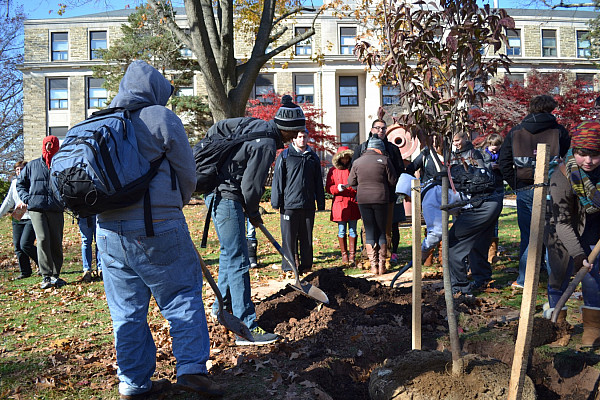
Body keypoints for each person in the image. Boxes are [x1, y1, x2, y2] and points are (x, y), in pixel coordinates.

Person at [95, 61, 223, 399]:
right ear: (154, 90)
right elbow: (188, 175)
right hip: (157, 225)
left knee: (125, 310)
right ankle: (192, 370)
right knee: (181, 296)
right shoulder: (161, 118)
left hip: (106, 231)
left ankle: (133, 383)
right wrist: (173, 206)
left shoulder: (100, 121)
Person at [205, 94, 303, 345]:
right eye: (295, 133)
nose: (295, 138)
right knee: (239, 260)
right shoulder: (267, 144)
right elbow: (251, 187)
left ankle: (221, 309)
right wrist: (253, 211)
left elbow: (218, 127)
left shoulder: (254, 124)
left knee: (229, 255)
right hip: (227, 196)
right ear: (288, 131)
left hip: (218, 193)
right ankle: (246, 327)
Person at [498, 94, 570, 289]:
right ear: (551, 109)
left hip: (525, 188)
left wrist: (516, 185)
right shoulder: (559, 131)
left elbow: (503, 162)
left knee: (528, 234)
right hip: (552, 188)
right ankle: (555, 279)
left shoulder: (516, 131)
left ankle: (524, 279)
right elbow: (569, 159)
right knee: (552, 234)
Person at [545, 120, 600, 347]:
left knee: (593, 278)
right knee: (558, 276)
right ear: (574, 151)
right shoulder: (561, 176)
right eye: (582, 154)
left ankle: (593, 329)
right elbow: (562, 222)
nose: (588, 161)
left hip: (594, 230)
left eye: (595, 155)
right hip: (562, 231)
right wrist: (577, 254)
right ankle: (558, 327)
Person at [447, 131, 503, 294]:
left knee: (454, 242)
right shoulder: (452, 156)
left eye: (458, 140)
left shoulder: (474, 154)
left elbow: (482, 179)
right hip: (483, 204)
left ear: (466, 139)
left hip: (481, 204)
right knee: (477, 242)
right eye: (453, 141)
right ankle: (482, 278)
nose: (456, 143)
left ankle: (460, 287)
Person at [271, 129, 326, 273]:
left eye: (304, 137)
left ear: (308, 138)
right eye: (299, 137)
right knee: (288, 239)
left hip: (308, 205)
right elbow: (277, 180)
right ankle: (289, 268)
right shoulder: (285, 156)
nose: (302, 139)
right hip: (289, 205)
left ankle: (306, 267)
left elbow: (318, 182)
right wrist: (276, 202)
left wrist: (321, 202)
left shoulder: (312, 157)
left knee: (306, 238)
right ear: (293, 139)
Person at [17, 135, 66, 289]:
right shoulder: (32, 166)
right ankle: (46, 275)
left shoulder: (62, 165)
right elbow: (20, 184)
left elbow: (70, 186)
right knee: (43, 239)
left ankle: (55, 275)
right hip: (36, 208)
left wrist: (65, 201)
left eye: (52, 145)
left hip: (56, 209)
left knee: (56, 242)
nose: (49, 148)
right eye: (47, 144)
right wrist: (27, 198)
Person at [348, 136, 397, 275]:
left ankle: (373, 265)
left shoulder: (357, 162)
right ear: (378, 148)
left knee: (369, 230)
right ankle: (382, 265)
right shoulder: (385, 160)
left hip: (363, 199)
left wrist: (361, 186)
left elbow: (351, 181)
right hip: (381, 198)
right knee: (381, 230)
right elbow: (393, 180)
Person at [403, 134, 451, 266]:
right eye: (433, 142)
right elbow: (411, 168)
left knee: (444, 223)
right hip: (430, 194)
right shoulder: (426, 154)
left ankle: (443, 257)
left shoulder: (449, 155)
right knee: (432, 225)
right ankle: (427, 256)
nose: (435, 145)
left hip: (447, 194)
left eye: (437, 142)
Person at [0, 161, 38, 279]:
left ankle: (44, 264)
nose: (19, 172)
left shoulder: (32, 182)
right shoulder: (14, 183)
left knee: (25, 244)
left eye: (21, 169)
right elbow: (8, 201)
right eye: (17, 170)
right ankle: (25, 271)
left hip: (30, 216)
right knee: (17, 246)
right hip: (17, 216)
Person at [326, 146, 361, 266]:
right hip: (340, 204)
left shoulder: (353, 169)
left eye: (347, 158)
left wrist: (353, 189)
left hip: (353, 203)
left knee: (353, 230)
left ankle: (352, 255)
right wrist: (337, 188)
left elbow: (359, 184)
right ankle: (344, 255)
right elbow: (328, 188)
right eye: (343, 158)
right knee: (341, 231)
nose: (345, 160)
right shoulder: (333, 171)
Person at [481, 133, 505, 264]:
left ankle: (492, 253)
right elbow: (479, 167)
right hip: (487, 188)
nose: (494, 148)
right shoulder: (482, 155)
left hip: (499, 186)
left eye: (497, 146)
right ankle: (484, 249)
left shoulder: (503, 154)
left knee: (495, 218)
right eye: (492, 146)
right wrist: (490, 166)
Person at [79, 215, 102, 282]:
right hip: (84, 213)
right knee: (86, 242)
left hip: (97, 213)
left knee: (99, 241)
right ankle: (87, 270)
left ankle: (100, 269)